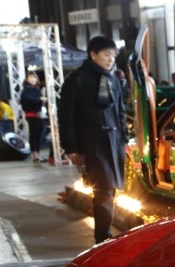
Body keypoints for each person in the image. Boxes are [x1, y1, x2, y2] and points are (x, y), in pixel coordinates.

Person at [58, 35, 128, 244]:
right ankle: (103, 237)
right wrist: (70, 147)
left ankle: (103, 236)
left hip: (113, 143)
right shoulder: (76, 80)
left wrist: (123, 139)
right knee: (103, 189)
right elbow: (66, 116)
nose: (111, 59)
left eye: (113, 55)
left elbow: (120, 112)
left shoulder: (113, 80)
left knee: (110, 189)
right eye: (107, 55)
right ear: (93, 54)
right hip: (91, 143)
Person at [20, 71, 46, 162]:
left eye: (34, 77)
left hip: (38, 114)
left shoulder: (37, 89)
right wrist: (39, 99)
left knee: (40, 134)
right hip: (31, 115)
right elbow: (27, 100)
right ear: (27, 79)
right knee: (34, 135)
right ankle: (34, 154)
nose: (32, 79)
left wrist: (41, 100)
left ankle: (37, 153)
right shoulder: (26, 90)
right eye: (30, 77)